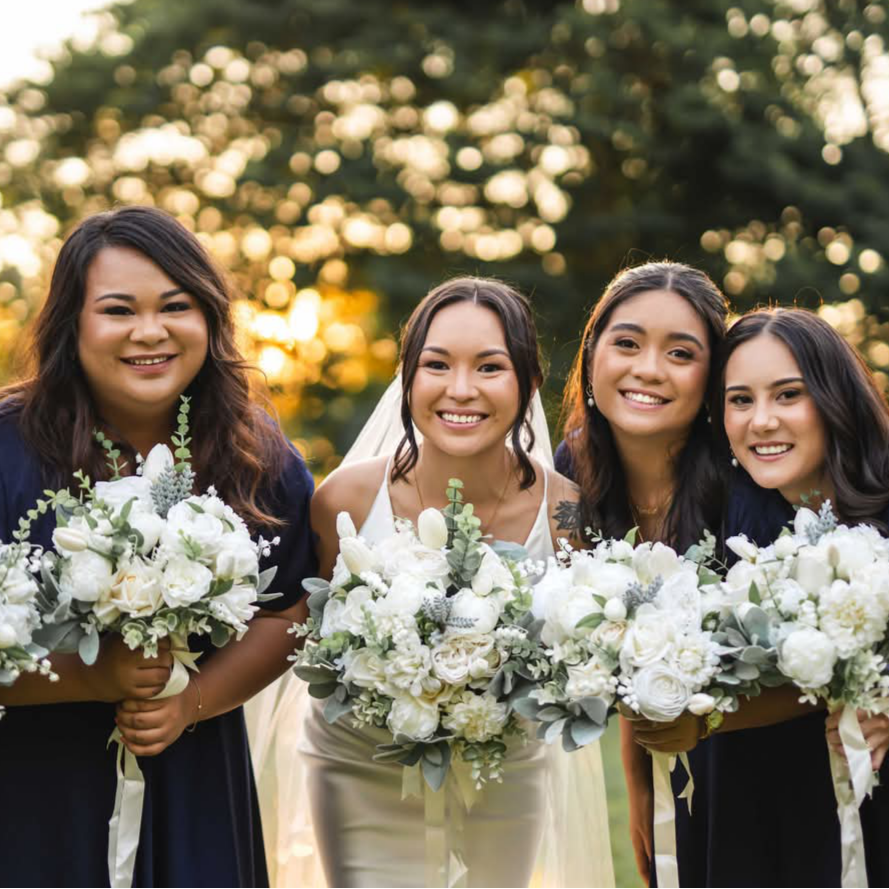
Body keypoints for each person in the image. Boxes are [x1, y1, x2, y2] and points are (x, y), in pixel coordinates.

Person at [0, 206, 315, 888]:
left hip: (192, 779)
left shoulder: (256, 455)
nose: (150, 331)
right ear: (72, 325)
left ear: (208, 317)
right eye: (118, 310)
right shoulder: (6, 447)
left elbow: (288, 608)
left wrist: (189, 700)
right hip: (31, 792)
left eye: (176, 305)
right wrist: (88, 677)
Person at [295, 276, 614, 888]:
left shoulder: (568, 510)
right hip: (358, 768)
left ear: (527, 382)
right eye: (436, 364)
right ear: (407, 379)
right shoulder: (344, 498)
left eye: (490, 367)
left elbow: (583, 655)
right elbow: (312, 641)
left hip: (506, 774)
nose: (460, 389)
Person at [631, 308, 889, 886]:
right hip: (738, 802)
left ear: (835, 397)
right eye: (740, 400)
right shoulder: (709, 523)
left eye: (788, 395)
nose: (761, 421)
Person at [555, 261, 729, 885]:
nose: (648, 369)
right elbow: (620, 648)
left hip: (766, 755)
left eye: (680, 353)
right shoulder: (571, 476)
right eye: (626, 343)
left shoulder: (745, 484)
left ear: (712, 377)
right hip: (665, 755)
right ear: (591, 356)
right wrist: (638, 788)